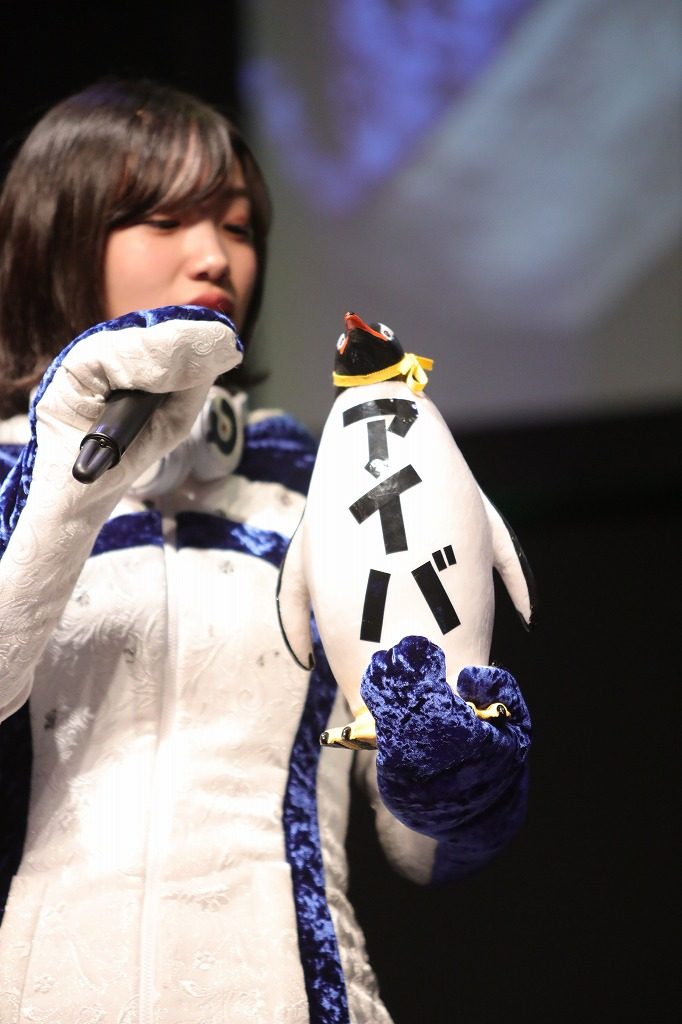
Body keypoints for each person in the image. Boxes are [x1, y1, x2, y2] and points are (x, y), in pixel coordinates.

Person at [0, 80, 531, 1022]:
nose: (215, 256)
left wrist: (457, 766)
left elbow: (421, 847)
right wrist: (69, 474)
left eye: (238, 226)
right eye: (164, 219)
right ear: (59, 234)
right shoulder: (16, 482)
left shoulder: (328, 483)